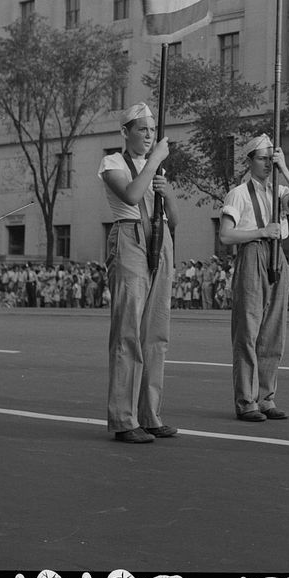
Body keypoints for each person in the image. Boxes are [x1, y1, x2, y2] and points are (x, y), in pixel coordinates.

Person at [99, 101, 179, 445]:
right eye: (141, 129)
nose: (148, 136)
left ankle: (149, 414)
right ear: (125, 132)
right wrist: (157, 161)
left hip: (160, 239)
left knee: (155, 335)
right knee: (128, 332)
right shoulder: (113, 163)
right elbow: (131, 195)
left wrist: (169, 193)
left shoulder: (155, 169)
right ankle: (123, 418)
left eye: (151, 130)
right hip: (130, 236)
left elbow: (173, 220)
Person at [219, 134, 289, 422]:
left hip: (277, 255)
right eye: (262, 158)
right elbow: (225, 235)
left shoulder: (278, 191)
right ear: (249, 161)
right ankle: (246, 400)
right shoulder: (238, 193)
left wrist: (285, 168)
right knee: (248, 330)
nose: (268, 164)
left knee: (273, 331)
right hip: (252, 253)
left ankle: (266, 397)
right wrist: (260, 232)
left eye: (271, 158)